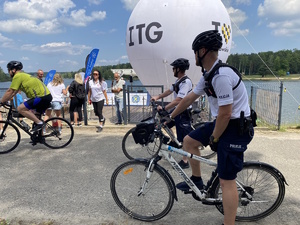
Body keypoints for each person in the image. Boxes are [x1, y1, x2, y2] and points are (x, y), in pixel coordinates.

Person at [168, 30, 254, 225]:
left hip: (235, 128)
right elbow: (190, 97)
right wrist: (169, 117)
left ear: (203, 51)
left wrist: (214, 138)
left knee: (226, 181)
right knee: (189, 141)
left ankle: (228, 223)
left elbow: (225, 113)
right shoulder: (209, 74)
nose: (194, 56)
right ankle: (197, 180)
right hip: (223, 122)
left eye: (195, 51)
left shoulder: (221, 76)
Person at [151, 58, 193, 169]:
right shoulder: (178, 81)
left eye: (173, 68)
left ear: (178, 69)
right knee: (163, 123)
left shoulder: (186, 82)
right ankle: (174, 142)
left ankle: (185, 161)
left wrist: (164, 108)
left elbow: (179, 99)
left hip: (183, 112)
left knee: (184, 138)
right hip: (177, 110)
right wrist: (158, 97)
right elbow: (170, 91)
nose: (172, 70)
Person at [0, 61, 52, 132]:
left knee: (20, 108)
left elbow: (10, 91)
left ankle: (40, 123)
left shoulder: (17, 76)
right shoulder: (23, 75)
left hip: (41, 97)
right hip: (45, 96)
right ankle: (39, 137)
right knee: (36, 117)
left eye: (9, 70)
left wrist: (1, 101)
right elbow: (14, 92)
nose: (9, 72)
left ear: (13, 70)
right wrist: (5, 100)